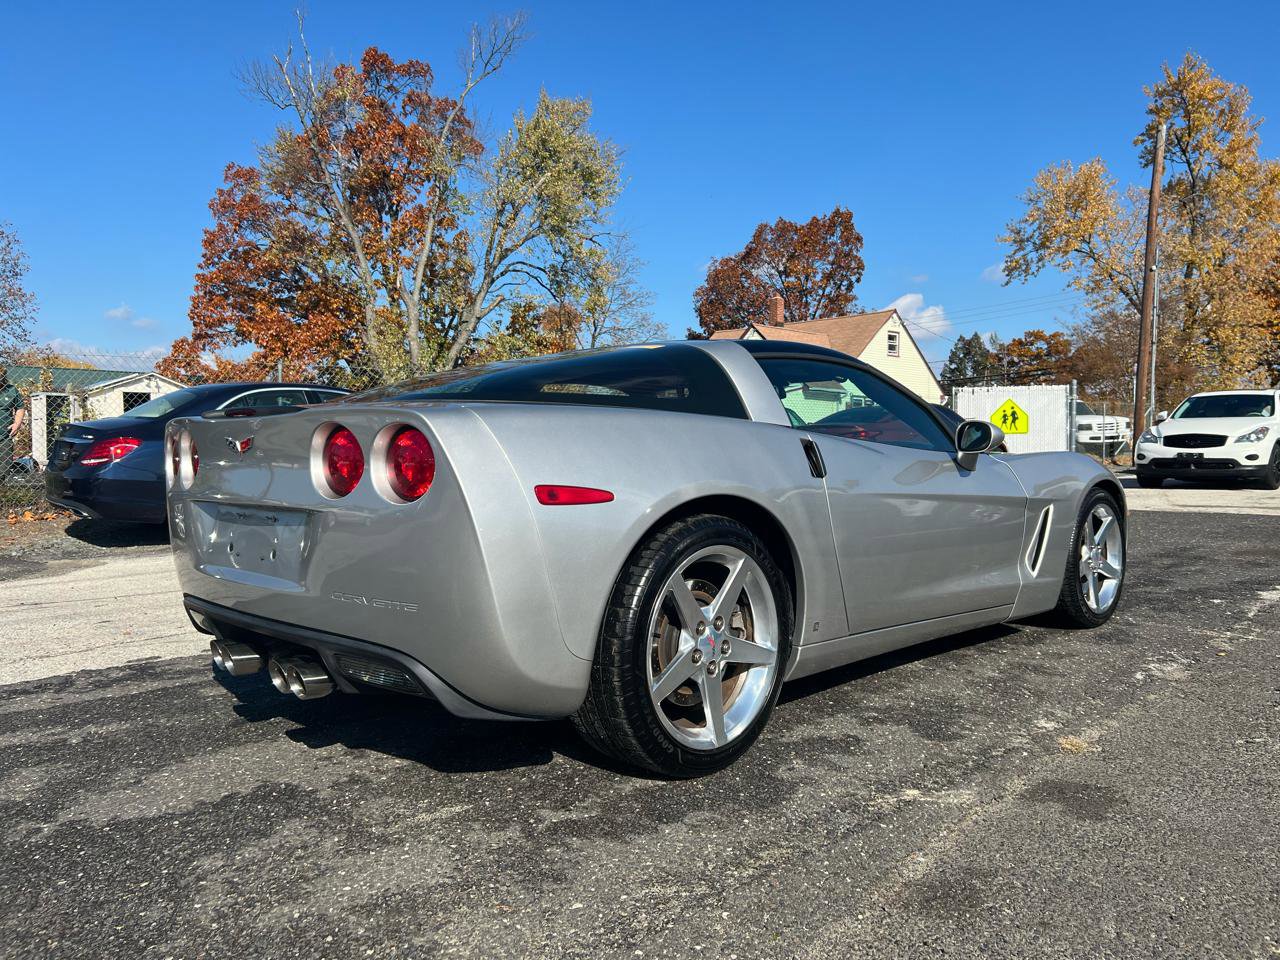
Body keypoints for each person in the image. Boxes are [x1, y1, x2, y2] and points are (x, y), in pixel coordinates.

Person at [0, 369, 27, 470]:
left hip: (4, 437)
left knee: (4, 471)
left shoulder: (11, 390)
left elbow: (20, 407)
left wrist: (17, 423)